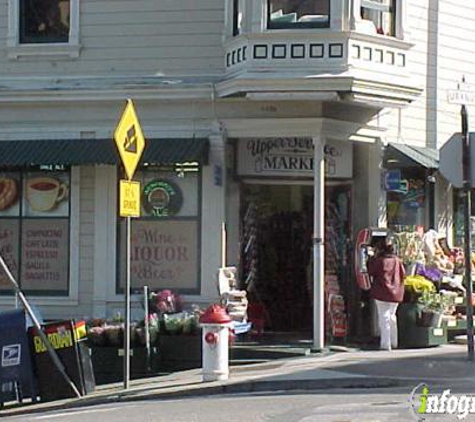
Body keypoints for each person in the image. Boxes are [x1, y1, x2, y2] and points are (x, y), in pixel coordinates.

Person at [367, 237, 406, 351]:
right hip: (397, 292)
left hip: (382, 291)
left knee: (384, 316)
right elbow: (403, 274)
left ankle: (385, 343)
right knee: (392, 316)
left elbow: (370, 271)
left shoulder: (380, 261)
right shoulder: (397, 261)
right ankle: (394, 341)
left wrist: (370, 258)